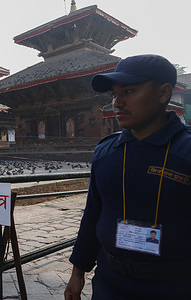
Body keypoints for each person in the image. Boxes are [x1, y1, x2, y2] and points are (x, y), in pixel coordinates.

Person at [64, 54, 191, 299]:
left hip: (176, 287)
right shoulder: (105, 152)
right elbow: (93, 215)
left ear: (163, 93)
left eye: (129, 91)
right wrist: (77, 272)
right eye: (114, 94)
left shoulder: (186, 153)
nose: (117, 103)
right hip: (110, 283)